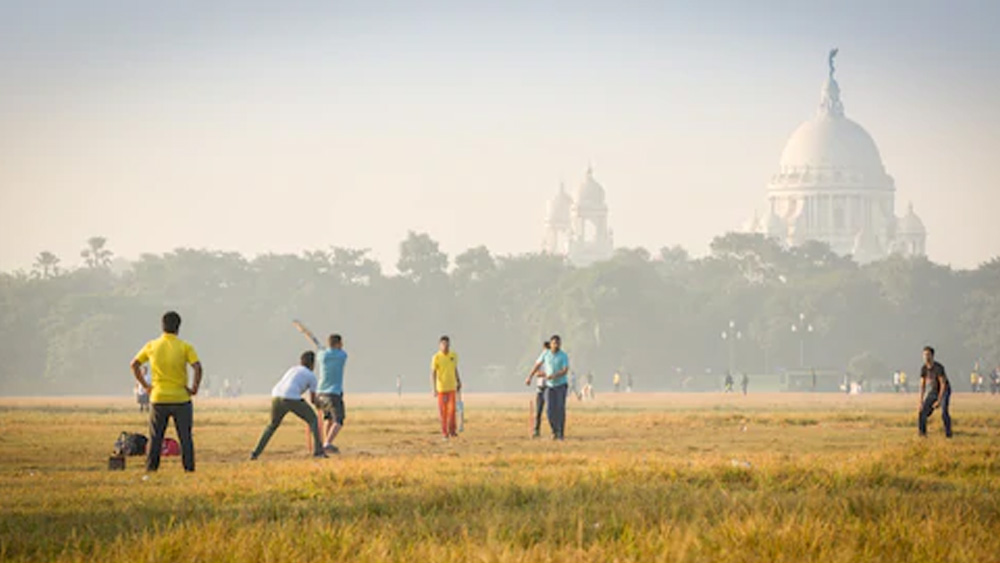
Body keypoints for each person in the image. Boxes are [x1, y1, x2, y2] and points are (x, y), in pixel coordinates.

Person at [130, 311, 203, 473]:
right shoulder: (185, 346)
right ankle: (189, 469)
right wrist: (194, 388)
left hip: (158, 398)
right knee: (185, 437)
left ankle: (151, 469)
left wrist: (146, 386)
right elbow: (197, 367)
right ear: (178, 327)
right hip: (181, 398)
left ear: (162, 326)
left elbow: (134, 364)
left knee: (156, 437)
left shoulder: (152, 346)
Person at [250, 351, 327, 459]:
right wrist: (322, 405)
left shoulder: (293, 369)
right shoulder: (311, 376)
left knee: (272, 425)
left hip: (276, 395)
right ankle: (318, 451)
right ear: (312, 364)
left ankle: (255, 453)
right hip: (291, 397)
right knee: (313, 420)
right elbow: (313, 400)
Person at [295, 325, 348, 454]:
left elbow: (320, 348)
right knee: (339, 420)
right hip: (333, 393)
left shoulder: (321, 355)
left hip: (320, 393)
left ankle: (326, 442)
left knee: (328, 419)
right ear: (337, 344)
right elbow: (338, 352)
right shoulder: (342, 355)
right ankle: (327, 443)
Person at [538, 335, 570, 439]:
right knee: (549, 410)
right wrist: (531, 375)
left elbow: (565, 370)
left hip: (561, 385)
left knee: (560, 408)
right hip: (549, 386)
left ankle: (560, 432)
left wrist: (554, 375)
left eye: (558, 343)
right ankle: (554, 430)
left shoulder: (563, 355)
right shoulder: (546, 354)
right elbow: (537, 365)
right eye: (554, 343)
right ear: (550, 344)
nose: (556, 345)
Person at [430, 336, 462, 440]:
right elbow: (433, 373)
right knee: (443, 412)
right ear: (439, 345)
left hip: (451, 387)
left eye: (447, 344)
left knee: (452, 410)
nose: (445, 346)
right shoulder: (436, 357)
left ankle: (452, 430)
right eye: (443, 344)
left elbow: (455, 369)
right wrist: (434, 388)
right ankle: (445, 433)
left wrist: (458, 380)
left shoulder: (453, 355)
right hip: (441, 389)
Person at [918, 346, 952, 438]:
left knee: (944, 412)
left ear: (932, 356)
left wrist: (939, 401)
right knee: (922, 412)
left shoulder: (938, 367)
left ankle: (948, 434)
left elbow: (943, 384)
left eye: (928, 355)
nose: (926, 357)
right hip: (934, 391)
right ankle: (922, 434)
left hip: (944, 391)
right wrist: (921, 401)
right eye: (924, 355)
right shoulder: (924, 369)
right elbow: (922, 385)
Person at [525, 341, 550, 438]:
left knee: (548, 410)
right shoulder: (542, 358)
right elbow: (536, 370)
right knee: (539, 410)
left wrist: (532, 376)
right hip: (541, 386)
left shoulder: (549, 357)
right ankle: (536, 430)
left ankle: (553, 430)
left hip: (548, 387)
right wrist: (531, 376)